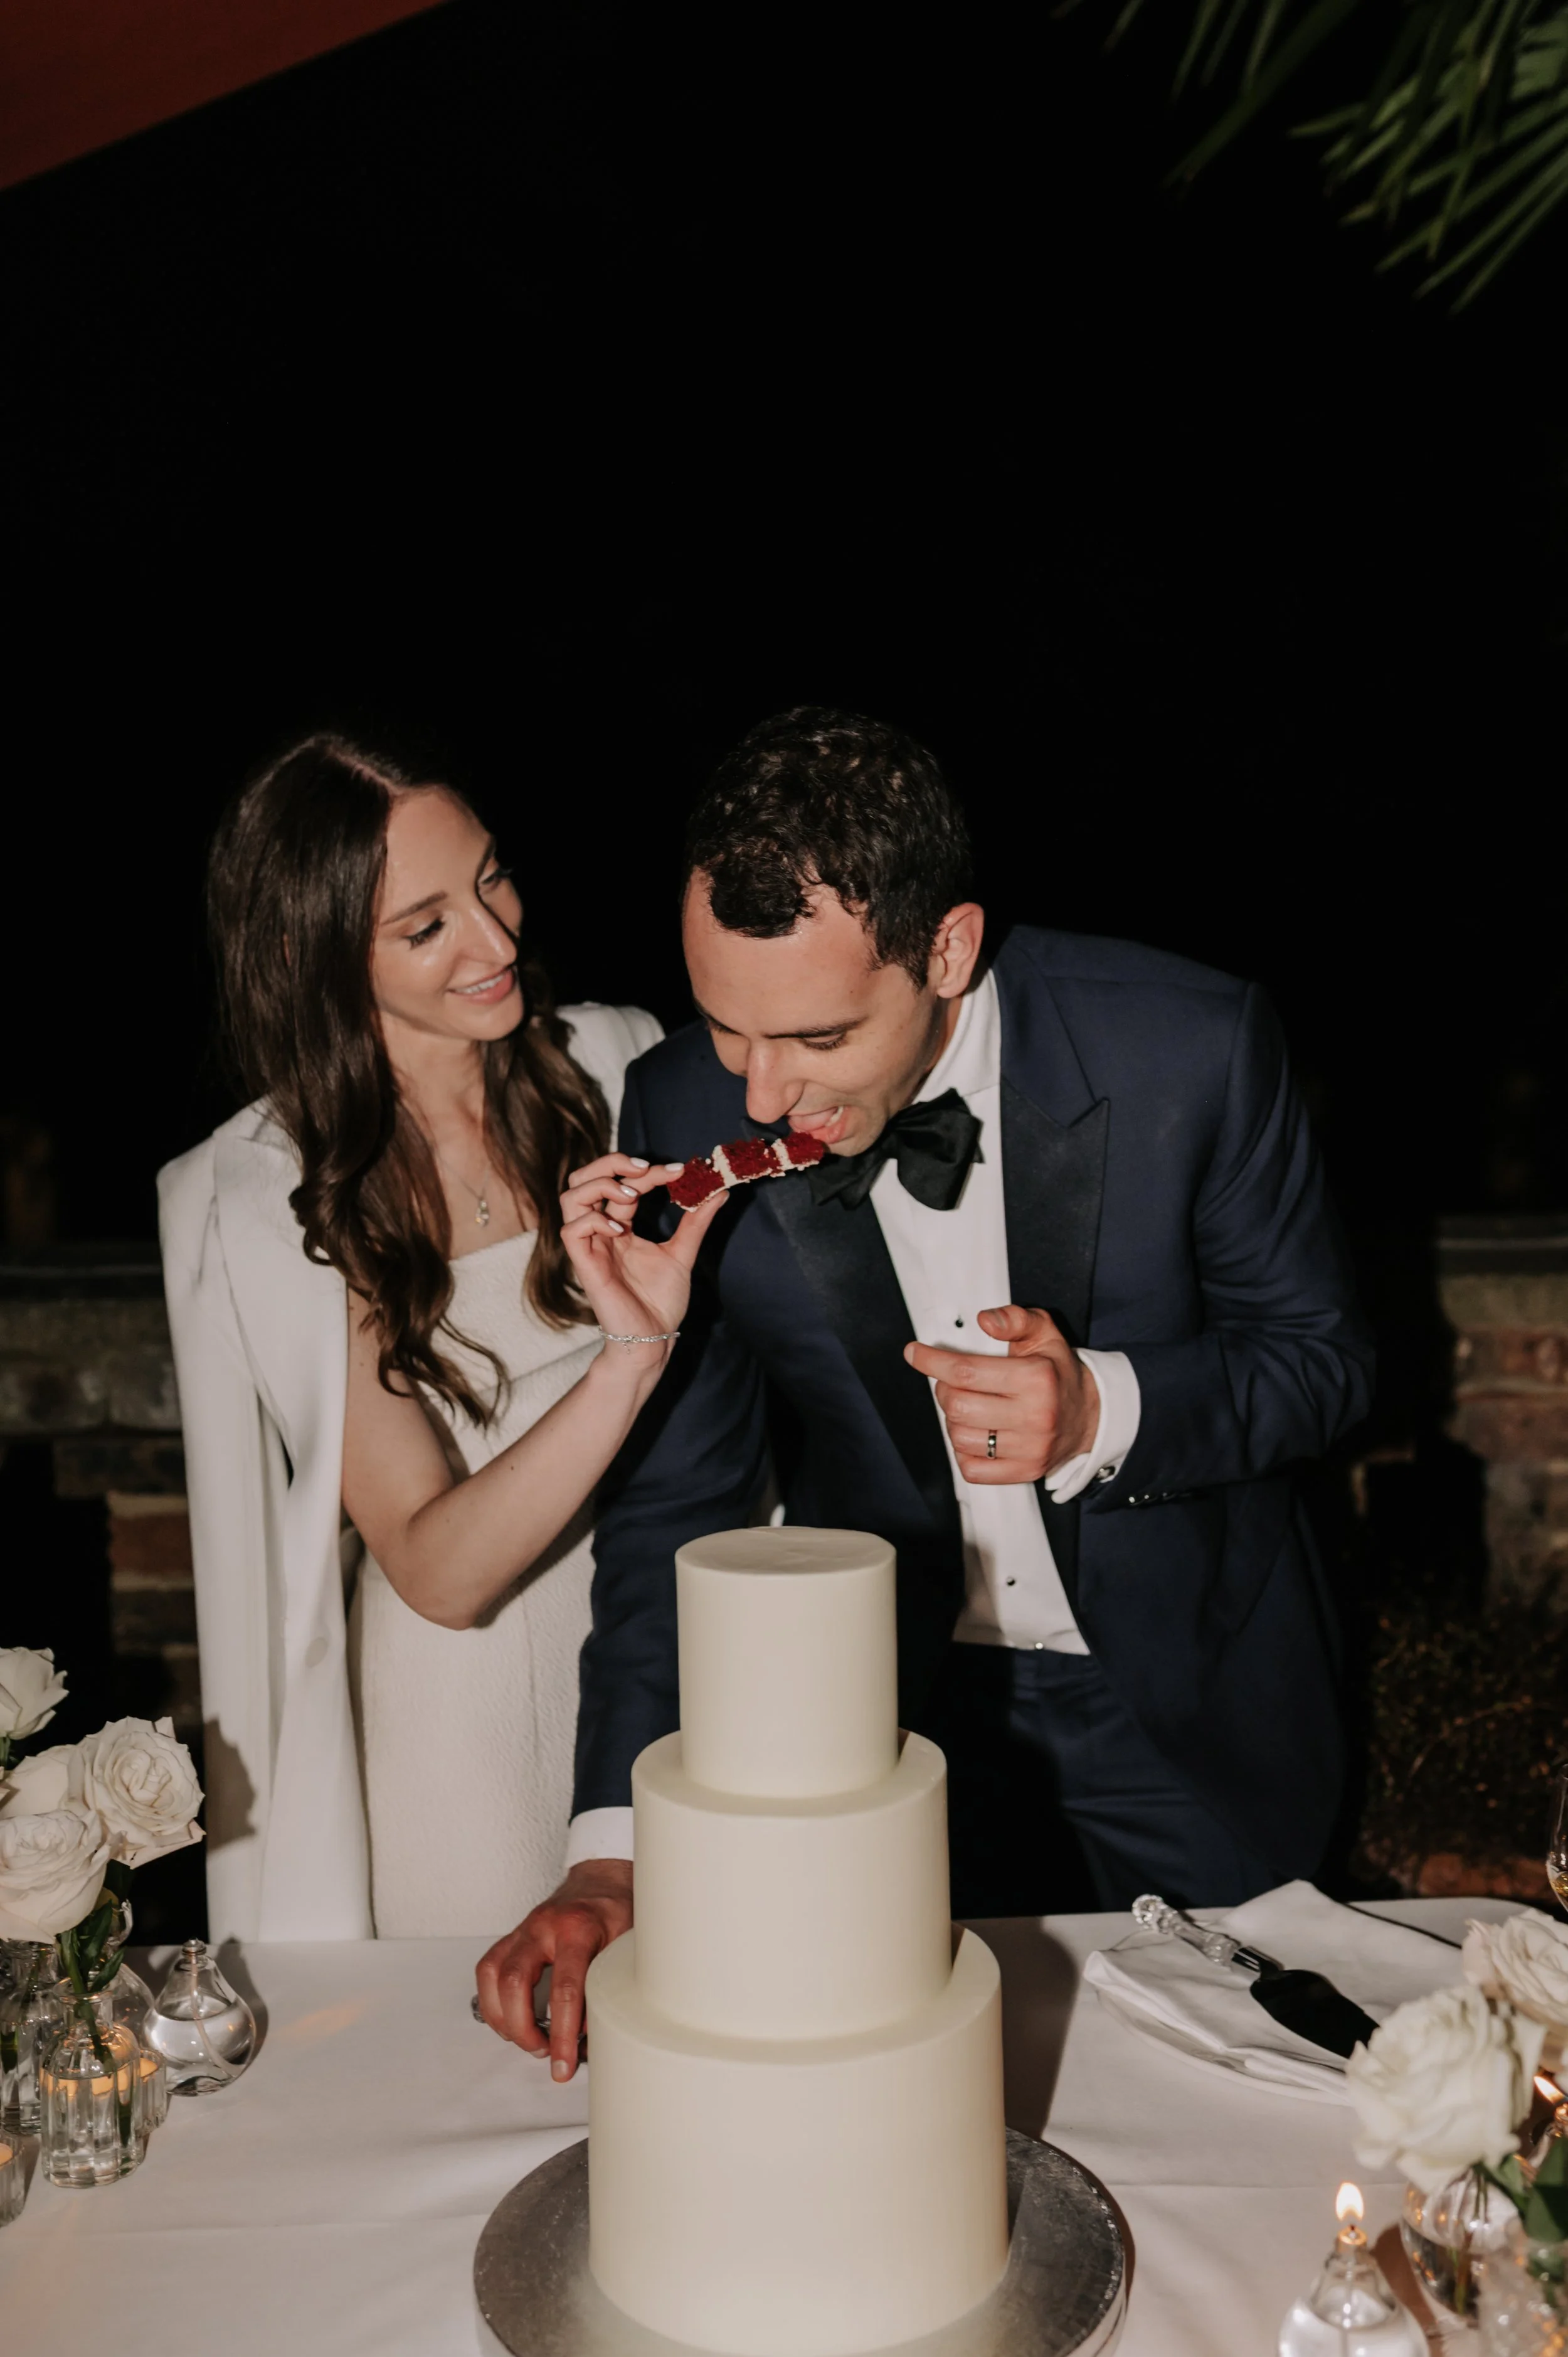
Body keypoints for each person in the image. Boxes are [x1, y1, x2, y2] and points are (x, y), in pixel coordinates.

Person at [477, 705, 1374, 2078]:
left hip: (1184, 1721)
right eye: (727, 1029)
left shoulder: (1189, 1046)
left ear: (946, 948)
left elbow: (1323, 1364)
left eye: (818, 1037)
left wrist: (1099, 1415)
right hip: (871, 1740)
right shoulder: (675, 1105)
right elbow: (679, 1507)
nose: (763, 1097)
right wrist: (612, 1851)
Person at [159, 735, 725, 1943]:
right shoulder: (282, 1195)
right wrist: (630, 1362)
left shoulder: (619, 1063)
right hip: (464, 1726)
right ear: (317, 960)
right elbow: (437, 1573)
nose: (497, 939)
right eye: (426, 928)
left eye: (491, 878)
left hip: (668, 1655)